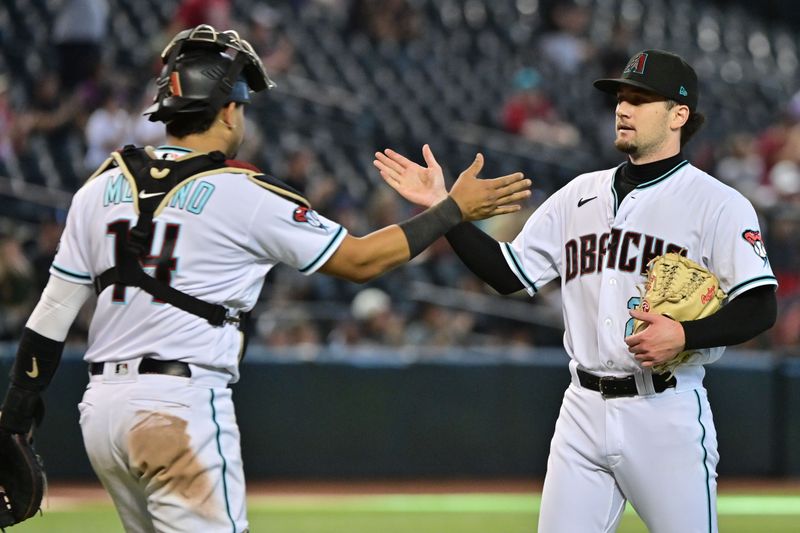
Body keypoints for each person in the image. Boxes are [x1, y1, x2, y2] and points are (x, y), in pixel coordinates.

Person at [0, 25, 530, 533]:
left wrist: (14, 419)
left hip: (100, 414)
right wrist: (452, 210)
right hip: (179, 406)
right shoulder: (243, 192)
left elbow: (49, 318)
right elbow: (362, 260)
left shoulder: (99, 187)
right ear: (229, 111)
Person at [375, 49, 778, 533]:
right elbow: (510, 273)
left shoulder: (717, 204)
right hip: (581, 409)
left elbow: (760, 306)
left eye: (641, 99)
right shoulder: (578, 193)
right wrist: (443, 208)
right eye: (621, 97)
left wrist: (686, 334)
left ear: (679, 115)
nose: (623, 108)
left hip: (663, 409)